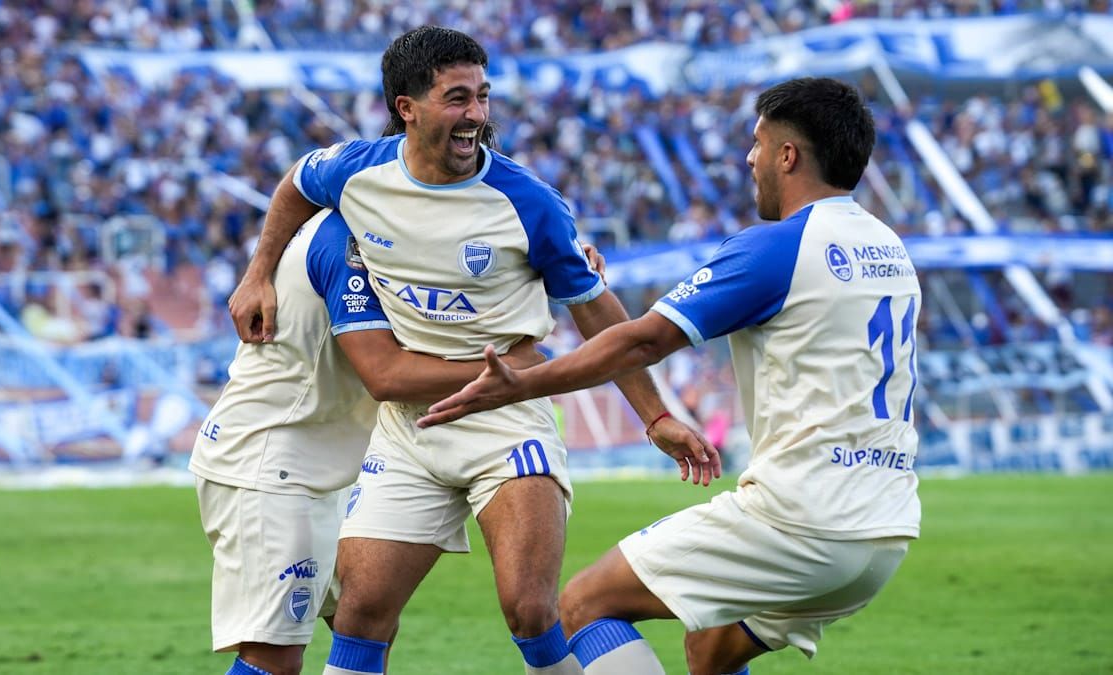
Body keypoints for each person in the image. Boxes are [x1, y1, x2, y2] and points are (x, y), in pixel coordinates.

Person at [227, 26, 717, 675]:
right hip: (411, 429)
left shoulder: (528, 202)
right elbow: (295, 182)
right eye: (458, 98)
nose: (478, 115)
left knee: (530, 608)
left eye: (483, 97)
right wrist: (258, 271)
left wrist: (654, 415)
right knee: (361, 611)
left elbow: (599, 311)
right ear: (408, 107)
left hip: (507, 422)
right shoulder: (360, 171)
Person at [418, 77, 922, 675]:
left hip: (803, 520)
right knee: (711, 648)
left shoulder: (778, 248)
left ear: (789, 156)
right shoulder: (889, 246)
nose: (749, 158)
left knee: (582, 605)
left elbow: (643, 340)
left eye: (758, 144)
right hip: (884, 531)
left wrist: (522, 384)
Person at [191, 208, 552, 675]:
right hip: (270, 462)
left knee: (367, 621)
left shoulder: (385, 229)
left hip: (324, 464)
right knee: (274, 657)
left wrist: (543, 267)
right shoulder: (347, 242)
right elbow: (386, 373)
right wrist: (512, 370)